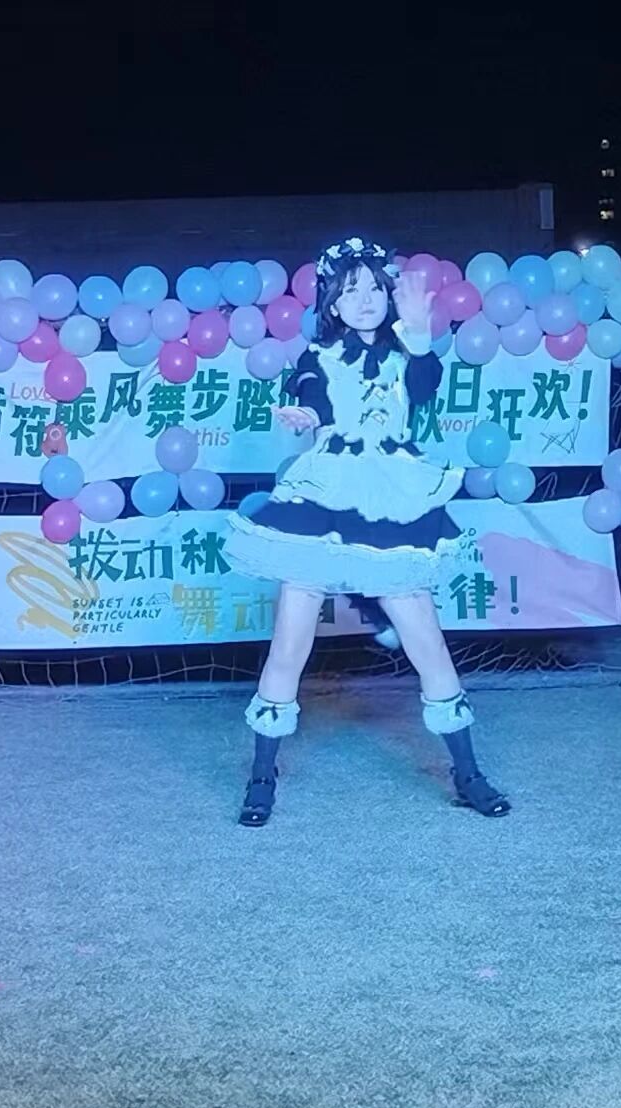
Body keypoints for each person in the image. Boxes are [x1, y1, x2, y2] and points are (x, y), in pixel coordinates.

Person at [224, 237, 510, 827]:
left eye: (375, 288)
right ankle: (261, 775)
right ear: (331, 301)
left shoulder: (409, 349)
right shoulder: (316, 356)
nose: (365, 299)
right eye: (351, 290)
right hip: (325, 493)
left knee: (427, 643)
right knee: (290, 644)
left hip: (394, 493)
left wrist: (420, 334)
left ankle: (468, 774)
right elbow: (311, 399)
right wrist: (305, 416)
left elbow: (425, 388)